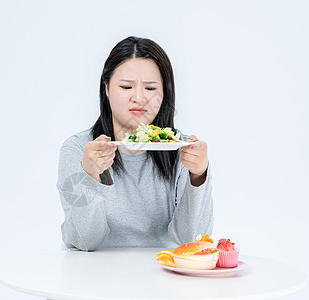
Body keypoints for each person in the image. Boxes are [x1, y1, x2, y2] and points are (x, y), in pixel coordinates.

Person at [57, 36, 213, 251]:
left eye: (150, 89)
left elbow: (193, 239)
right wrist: (90, 174)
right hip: (92, 277)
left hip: (164, 273)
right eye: (126, 87)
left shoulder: (182, 148)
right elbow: (85, 241)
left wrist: (198, 176)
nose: (139, 98)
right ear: (107, 89)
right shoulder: (78, 149)